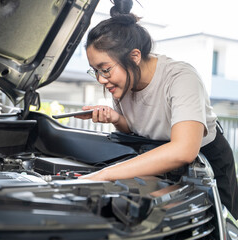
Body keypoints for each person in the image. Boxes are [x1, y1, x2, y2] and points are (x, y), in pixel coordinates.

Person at [76, 0, 238, 218]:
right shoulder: (123, 82)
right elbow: (139, 126)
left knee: (221, 220)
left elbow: (183, 150)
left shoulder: (181, 78)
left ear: (134, 57)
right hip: (158, 154)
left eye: (105, 70)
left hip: (206, 160)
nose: (101, 79)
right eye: (95, 71)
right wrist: (116, 119)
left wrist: (102, 175)